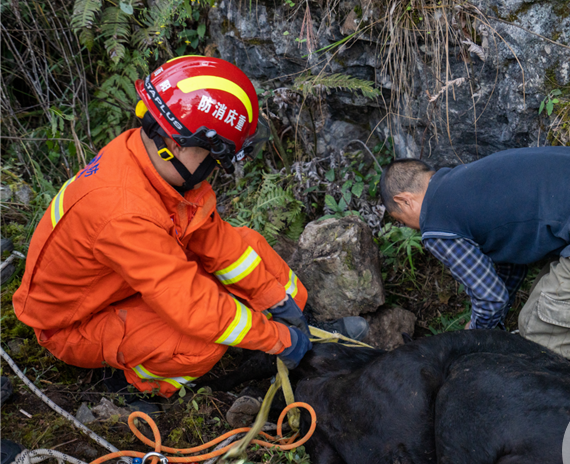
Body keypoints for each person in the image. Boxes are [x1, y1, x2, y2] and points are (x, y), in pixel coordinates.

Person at [12, 56, 365, 399]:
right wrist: (277, 340)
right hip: (76, 324)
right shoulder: (123, 212)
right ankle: (134, 382)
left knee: (249, 245)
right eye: (216, 157)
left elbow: (216, 241)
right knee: (200, 344)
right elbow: (192, 305)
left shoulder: (152, 164)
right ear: (179, 143)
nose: (217, 167)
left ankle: (307, 326)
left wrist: (278, 302)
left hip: (125, 283)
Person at [379, 147, 570, 396]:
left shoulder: (436, 220)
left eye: (403, 220)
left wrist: (476, 335)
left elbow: (490, 296)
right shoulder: (466, 185)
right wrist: (491, 321)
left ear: (404, 200)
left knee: (541, 338)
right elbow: (509, 262)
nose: (413, 229)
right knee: (550, 322)